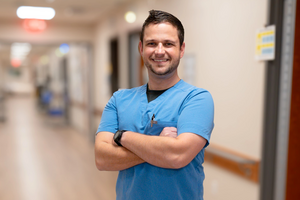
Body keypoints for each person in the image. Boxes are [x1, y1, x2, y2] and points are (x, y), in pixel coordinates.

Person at [95, 10, 214, 200]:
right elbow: (102, 158)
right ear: (141, 48)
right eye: (152, 43)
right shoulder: (119, 99)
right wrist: (159, 145)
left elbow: (177, 155)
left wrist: (121, 136)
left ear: (181, 49)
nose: (159, 51)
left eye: (168, 44)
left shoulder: (197, 99)